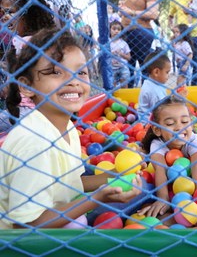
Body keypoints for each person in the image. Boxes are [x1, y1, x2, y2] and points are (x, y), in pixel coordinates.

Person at [0, 28, 143, 229]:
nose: (73, 81)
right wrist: (95, 199)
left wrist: (110, 178)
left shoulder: (66, 126)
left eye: (81, 72)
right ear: (26, 87)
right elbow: (25, 226)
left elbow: (67, 185)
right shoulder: (34, 142)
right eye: (56, 72)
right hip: (22, 241)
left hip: (59, 214)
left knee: (145, 191)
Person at [138, 97, 197, 218]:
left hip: (188, 184)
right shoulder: (157, 144)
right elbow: (160, 169)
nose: (179, 127)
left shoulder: (195, 141)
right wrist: (163, 199)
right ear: (157, 129)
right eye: (170, 123)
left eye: (185, 121)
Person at [0, 0, 56, 132]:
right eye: (3, 12)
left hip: (28, 110)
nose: (4, 16)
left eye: (10, 11)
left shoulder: (27, 42)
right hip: (27, 108)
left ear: (27, 13)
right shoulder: (31, 39)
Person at [119, 0, 159, 87]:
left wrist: (132, 12)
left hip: (141, 31)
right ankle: (129, 95)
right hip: (125, 32)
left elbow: (153, 14)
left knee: (144, 66)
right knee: (127, 67)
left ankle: (146, 95)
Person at [169, 0, 197, 86]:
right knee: (182, 63)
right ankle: (182, 88)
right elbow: (170, 16)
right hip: (183, 37)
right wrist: (173, 30)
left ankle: (195, 88)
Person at [137, 51, 172, 122]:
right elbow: (160, 113)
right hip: (150, 124)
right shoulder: (153, 92)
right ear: (156, 72)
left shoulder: (151, 83)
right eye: (167, 72)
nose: (169, 75)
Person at [109, 20, 131, 88]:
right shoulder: (107, 43)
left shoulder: (124, 44)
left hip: (123, 67)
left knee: (124, 85)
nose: (116, 31)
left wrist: (121, 54)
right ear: (110, 30)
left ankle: (126, 97)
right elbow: (103, 55)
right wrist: (110, 53)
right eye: (114, 29)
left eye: (119, 29)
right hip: (111, 68)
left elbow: (129, 57)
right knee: (113, 86)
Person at [172, 24, 193, 88]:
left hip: (183, 63)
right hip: (179, 64)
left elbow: (190, 54)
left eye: (177, 32)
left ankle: (180, 96)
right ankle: (182, 94)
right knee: (181, 83)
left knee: (179, 83)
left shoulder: (185, 43)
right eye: (174, 32)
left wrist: (186, 65)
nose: (175, 34)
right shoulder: (178, 43)